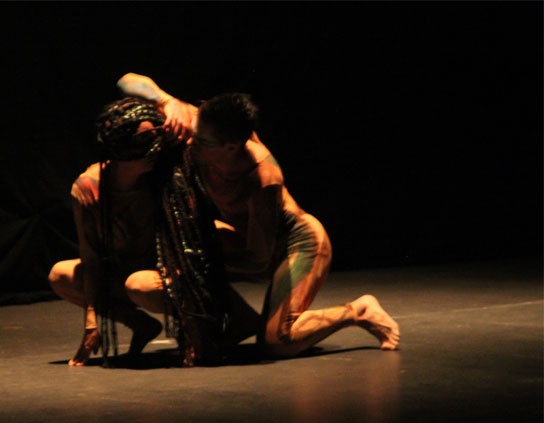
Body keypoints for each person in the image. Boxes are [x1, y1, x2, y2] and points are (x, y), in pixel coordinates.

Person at [116, 73, 400, 357]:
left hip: (296, 244)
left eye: (200, 140)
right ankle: (241, 322)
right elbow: (127, 81)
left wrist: (194, 264)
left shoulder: (262, 178)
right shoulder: (203, 124)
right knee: (146, 285)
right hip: (244, 239)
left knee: (277, 341)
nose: (190, 142)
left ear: (230, 147)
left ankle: (357, 311)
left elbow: (259, 260)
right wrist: (167, 101)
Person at [49, 96, 228, 366]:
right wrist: (91, 322)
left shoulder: (164, 179)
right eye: (144, 141)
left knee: (140, 284)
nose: (154, 149)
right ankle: (142, 325)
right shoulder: (90, 187)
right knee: (61, 274)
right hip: (123, 271)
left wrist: (170, 104)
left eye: (156, 139)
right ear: (120, 147)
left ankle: (197, 324)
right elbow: (91, 258)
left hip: (166, 275)